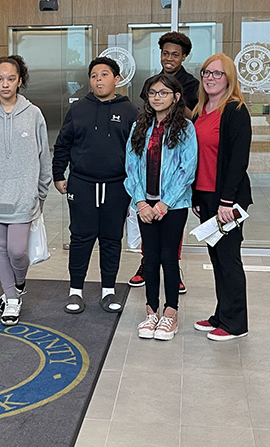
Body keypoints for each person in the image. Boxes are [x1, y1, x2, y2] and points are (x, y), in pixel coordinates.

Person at [53, 57, 138, 314]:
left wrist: (136, 185)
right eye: (93, 75)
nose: (98, 79)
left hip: (117, 186)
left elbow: (138, 150)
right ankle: (75, 291)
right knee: (80, 238)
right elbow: (63, 143)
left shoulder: (130, 110)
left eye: (104, 74)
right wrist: (59, 174)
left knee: (112, 238)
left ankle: (108, 291)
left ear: (117, 79)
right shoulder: (79, 108)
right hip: (82, 183)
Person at [0, 55, 52, 326]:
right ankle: (12, 300)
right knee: (2, 248)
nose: (5, 84)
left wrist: (40, 191)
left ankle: (17, 284)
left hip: (24, 196)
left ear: (20, 81)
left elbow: (44, 157)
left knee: (18, 251)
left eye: (11, 78)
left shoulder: (34, 114)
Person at [125, 74, 197, 341]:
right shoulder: (139, 127)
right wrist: (141, 202)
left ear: (176, 97)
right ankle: (151, 310)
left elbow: (186, 170)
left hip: (174, 206)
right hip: (145, 205)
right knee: (150, 258)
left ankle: (170, 313)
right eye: (152, 93)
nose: (157, 97)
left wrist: (165, 204)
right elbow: (130, 167)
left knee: (169, 257)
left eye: (163, 92)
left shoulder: (186, 128)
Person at [129, 31, 199, 291]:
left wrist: (176, 102)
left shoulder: (191, 84)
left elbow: (195, 117)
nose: (169, 58)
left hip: (175, 161)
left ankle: (173, 269)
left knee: (171, 235)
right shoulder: (150, 81)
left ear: (183, 57)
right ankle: (146, 264)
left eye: (175, 54)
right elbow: (147, 114)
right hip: (150, 157)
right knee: (147, 226)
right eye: (165, 53)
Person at [192, 53, 252, 341]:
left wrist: (227, 202)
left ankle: (235, 323)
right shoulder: (200, 111)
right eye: (207, 72)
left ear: (229, 78)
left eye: (217, 73)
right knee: (217, 260)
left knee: (229, 261)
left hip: (226, 199)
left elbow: (238, 161)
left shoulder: (235, 110)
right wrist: (195, 195)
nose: (211, 77)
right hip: (205, 195)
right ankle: (221, 314)